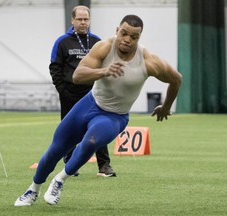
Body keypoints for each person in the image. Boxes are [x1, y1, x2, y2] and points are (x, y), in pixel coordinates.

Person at [14, 14, 182, 206]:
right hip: (89, 104)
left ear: (139, 38)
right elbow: (77, 76)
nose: (127, 39)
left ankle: (59, 180)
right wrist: (104, 71)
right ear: (117, 31)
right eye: (124, 33)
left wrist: (166, 107)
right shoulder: (103, 47)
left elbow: (176, 79)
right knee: (56, 148)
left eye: (133, 37)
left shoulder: (148, 61)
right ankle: (32, 190)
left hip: (114, 116)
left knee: (91, 141)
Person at [49, 5, 116, 177]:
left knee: (99, 128)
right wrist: (62, 91)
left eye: (86, 19)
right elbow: (55, 68)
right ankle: (71, 166)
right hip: (68, 94)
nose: (83, 22)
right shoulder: (62, 42)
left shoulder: (97, 41)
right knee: (69, 132)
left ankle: (104, 166)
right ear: (72, 20)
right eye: (79, 19)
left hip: (93, 95)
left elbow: (105, 66)